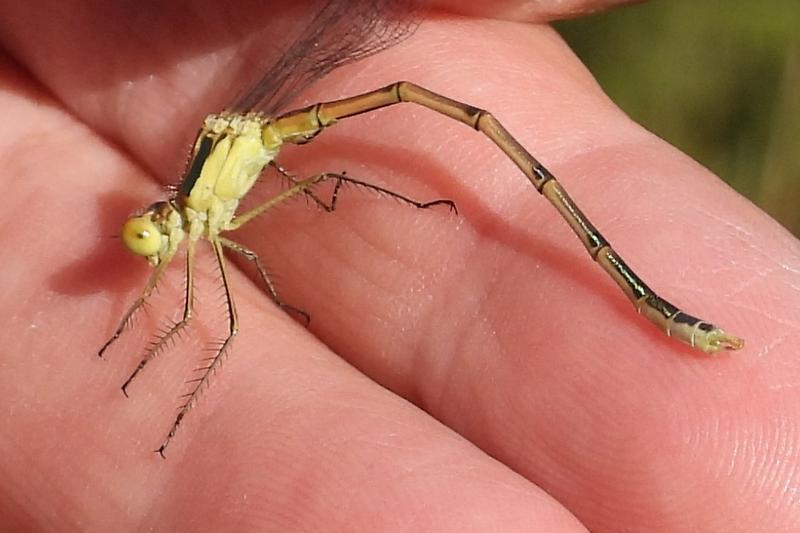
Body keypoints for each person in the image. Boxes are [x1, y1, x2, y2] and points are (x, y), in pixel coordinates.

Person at [0, 1, 795, 531]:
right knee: (311, 195)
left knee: (286, 236)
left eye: (152, 229)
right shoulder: (187, 215)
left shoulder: (202, 198)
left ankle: (648, 297)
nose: (151, 234)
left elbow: (210, 308)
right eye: (152, 232)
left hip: (318, 122)